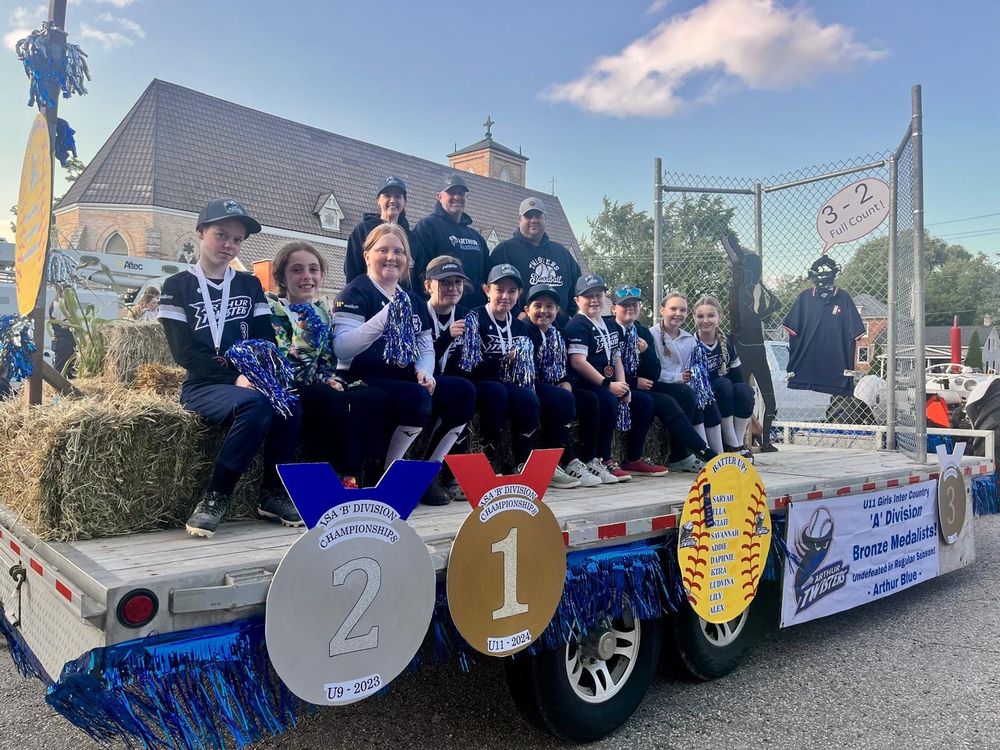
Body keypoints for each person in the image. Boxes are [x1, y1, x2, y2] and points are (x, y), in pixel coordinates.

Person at [158, 198, 303, 537]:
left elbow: (265, 338)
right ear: (200, 233)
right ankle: (216, 496)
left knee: (290, 403)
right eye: (222, 235)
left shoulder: (248, 284)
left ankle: (271, 494)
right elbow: (184, 354)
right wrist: (234, 376)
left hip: (246, 379)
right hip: (203, 385)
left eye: (237, 240)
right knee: (254, 407)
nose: (229, 245)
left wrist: (259, 374)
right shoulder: (176, 286)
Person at [333, 223, 475, 506]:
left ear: (407, 260)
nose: (390, 256)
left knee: (464, 391)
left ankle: (427, 473)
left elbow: (424, 347)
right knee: (415, 398)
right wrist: (385, 317)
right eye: (382, 250)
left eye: (398, 251)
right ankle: (390, 475)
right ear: (366, 255)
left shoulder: (412, 300)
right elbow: (343, 347)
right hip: (365, 375)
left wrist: (425, 370)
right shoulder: (355, 292)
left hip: (405, 375)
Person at [270, 241, 388, 489]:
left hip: (315, 384)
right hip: (284, 387)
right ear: (281, 276)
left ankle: (367, 471)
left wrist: (329, 378)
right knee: (327, 399)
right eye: (297, 270)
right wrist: (305, 327)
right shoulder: (273, 312)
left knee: (372, 395)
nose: (307, 276)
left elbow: (325, 363)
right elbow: (289, 368)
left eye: (313, 270)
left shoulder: (322, 313)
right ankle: (331, 475)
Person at [565, 274, 663, 482]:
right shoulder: (577, 325)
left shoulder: (607, 325)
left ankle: (629, 458)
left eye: (598, 295)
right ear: (577, 301)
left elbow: (616, 357)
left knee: (644, 401)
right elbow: (578, 362)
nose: (594, 300)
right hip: (587, 383)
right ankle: (596, 458)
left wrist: (623, 386)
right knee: (604, 400)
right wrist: (608, 385)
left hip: (607, 382)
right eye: (588, 296)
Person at [613, 286, 715, 473]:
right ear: (614, 309)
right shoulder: (610, 330)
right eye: (625, 305)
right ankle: (708, 454)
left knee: (686, 394)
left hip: (644, 385)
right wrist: (634, 382)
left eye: (634, 305)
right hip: (619, 386)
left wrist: (646, 352)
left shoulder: (641, 332)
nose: (630, 308)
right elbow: (604, 366)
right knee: (656, 401)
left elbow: (653, 370)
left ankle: (680, 455)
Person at [457, 264, 541, 475]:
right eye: (499, 289)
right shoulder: (474, 318)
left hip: (505, 383)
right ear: (486, 290)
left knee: (529, 398)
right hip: (478, 381)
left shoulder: (520, 326)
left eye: (512, 291)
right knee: (497, 393)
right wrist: (503, 360)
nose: (505, 296)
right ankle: (489, 461)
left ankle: (522, 461)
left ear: (519, 294)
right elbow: (468, 366)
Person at [522, 283, 599, 487]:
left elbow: (570, 370)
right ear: (526, 309)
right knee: (560, 399)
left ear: (557, 310)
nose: (544, 311)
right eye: (538, 305)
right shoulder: (523, 332)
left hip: (555, 386)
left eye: (550, 306)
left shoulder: (560, 334)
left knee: (590, 399)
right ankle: (557, 460)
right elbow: (524, 373)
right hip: (528, 385)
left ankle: (589, 459)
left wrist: (567, 382)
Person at [422, 254, 475, 502]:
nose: (453, 288)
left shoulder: (466, 316)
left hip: (449, 384)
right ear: (428, 285)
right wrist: (445, 338)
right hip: (420, 381)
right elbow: (414, 360)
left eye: (458, 282)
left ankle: (451, 472)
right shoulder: (419, 313)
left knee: (471, 391)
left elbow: (470, 363)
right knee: (462, 391)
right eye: (445, 282)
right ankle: (424, 475)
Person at [489, 197, 581, 325]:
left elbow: (578, 288)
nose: (534, 220)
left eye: (538, 216)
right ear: (519, 220)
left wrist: (568, 314)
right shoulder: (504, 250)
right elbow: (490, 289)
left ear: (545, 219)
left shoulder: (561, 252)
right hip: (518, 328)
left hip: (559, 330)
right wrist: (517, 315)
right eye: (528, 216)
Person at [690, 295, 755, 459]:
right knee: (723, 384)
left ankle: (739, 443)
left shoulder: (726, 342)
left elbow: (738, 377)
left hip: (725, 393)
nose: (706, 320)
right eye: (700, 316)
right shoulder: (691, 343)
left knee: (745, 390)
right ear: (694, 318)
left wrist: (740, 395)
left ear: (720, 317)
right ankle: (731, 442)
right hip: (705, 396)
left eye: (711, 315)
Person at [414, 174, 489, 308]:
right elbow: (419, 273)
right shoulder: (427, 227)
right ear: (439, 196)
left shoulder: (476, 237)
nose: (457, 197)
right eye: (451, 193)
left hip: (474, 314)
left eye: (461, 193)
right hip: (440, 313)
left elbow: (485, 277)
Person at [343, 176, 423, 290]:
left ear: (405, 202)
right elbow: (352, 271)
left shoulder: (413, 239)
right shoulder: (362, 231)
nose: (393, 200)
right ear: (378, 200)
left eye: (398, 196)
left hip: (404, 304)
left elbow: (418, 279)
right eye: (387, 196)